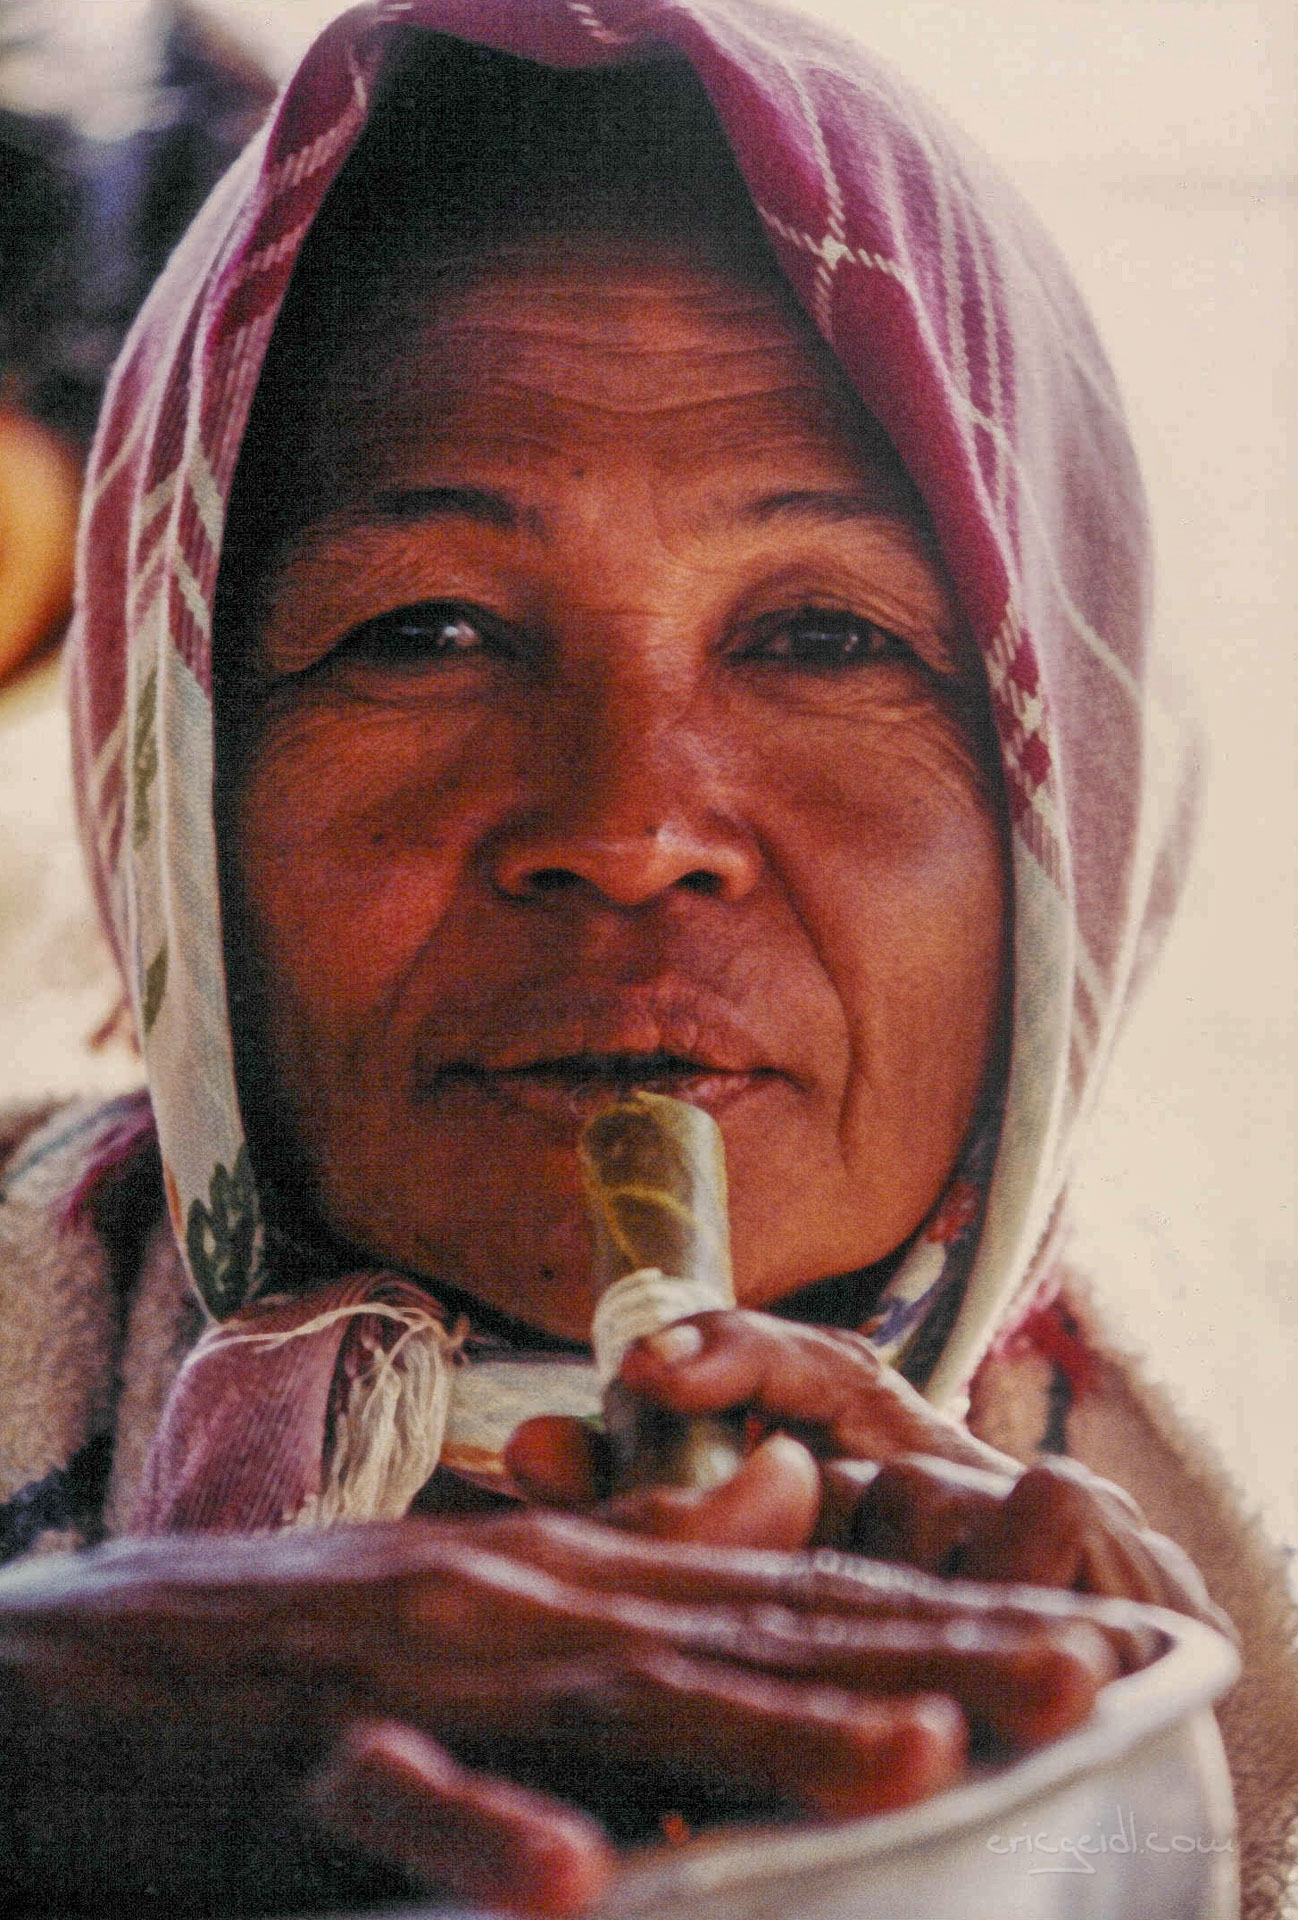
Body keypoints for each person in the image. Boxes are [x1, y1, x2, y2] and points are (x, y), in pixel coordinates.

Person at [0, 0, 1294, 1914]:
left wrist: (1130, 1840)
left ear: (1065, 812)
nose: (626, 826)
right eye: (425, 632)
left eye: (824, 638)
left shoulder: (1205, 1587)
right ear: (174, 785)